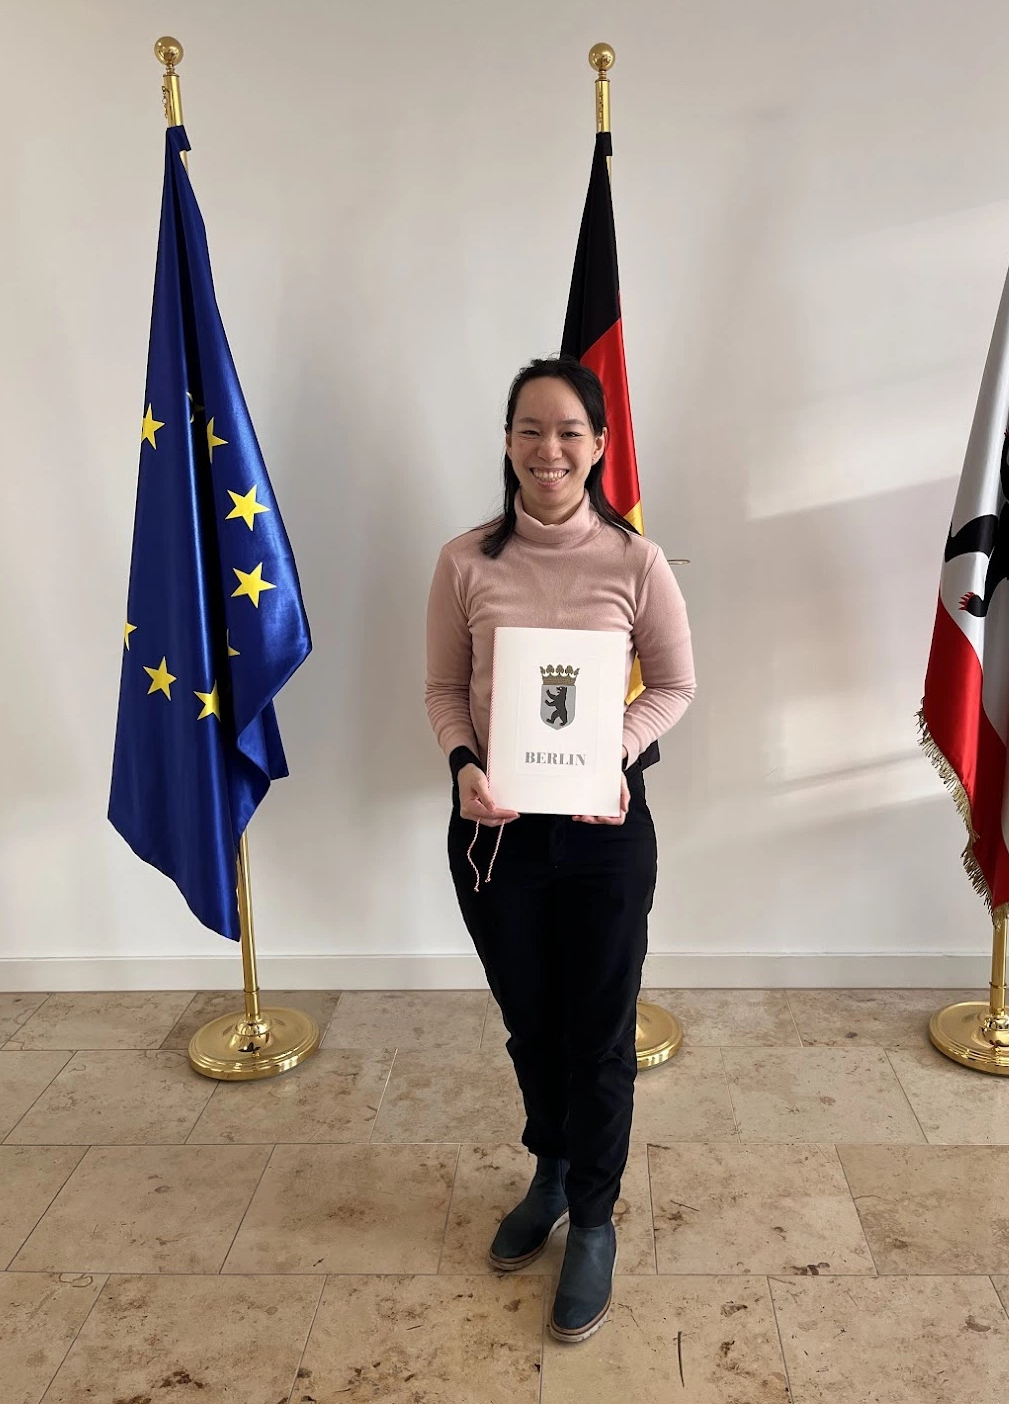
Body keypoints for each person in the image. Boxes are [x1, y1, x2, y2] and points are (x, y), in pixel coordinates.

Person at [425, 356, 696, 1342]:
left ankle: (591, 1217)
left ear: (599, 446)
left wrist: (613, 751)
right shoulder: (464, 561)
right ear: (507, 441)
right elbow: (444, 690)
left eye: (569, 431)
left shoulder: (636, 562)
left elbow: (674, 685)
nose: (549, 449)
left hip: (603, 835)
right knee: (529, 1024)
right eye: (530, 430)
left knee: (599, 1034)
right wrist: (463, 763)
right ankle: (550, 1167)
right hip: (494, 836)